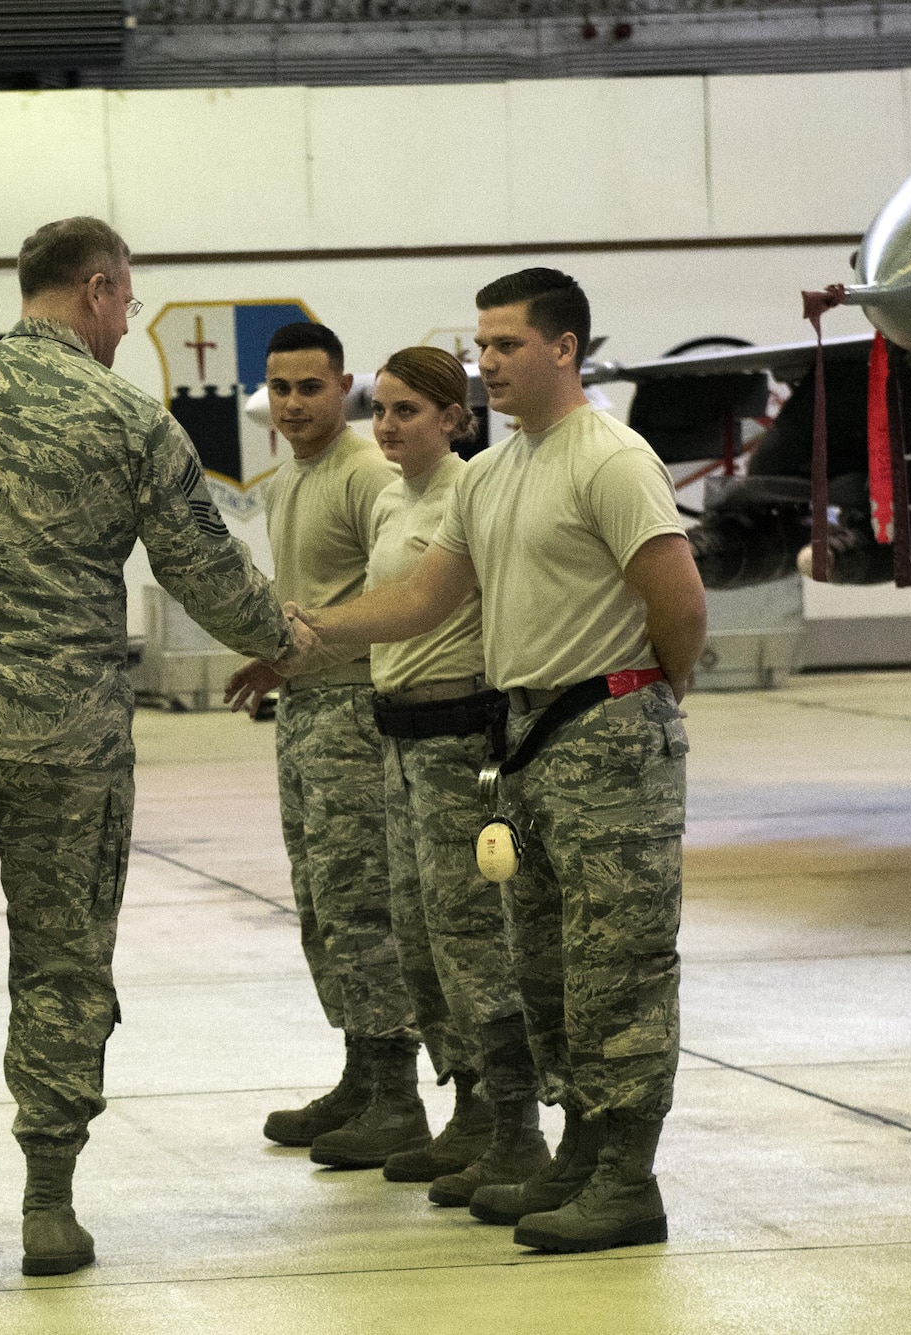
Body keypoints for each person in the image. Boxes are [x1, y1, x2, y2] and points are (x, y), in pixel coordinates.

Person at [0, 216, 303, 1282]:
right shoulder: (129, 418)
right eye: (126, 302)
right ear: (92, 290)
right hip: (67, 736)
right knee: (64, 965)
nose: (127, 322)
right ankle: (48, 1205)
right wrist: (290, 641)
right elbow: (207, 575)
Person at [288, 269, 706, 1254]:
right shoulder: (501, 470)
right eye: (480, 346)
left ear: (563, 348)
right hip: (524, 741)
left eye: (506, 345)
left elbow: (678, 603)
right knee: (547, 967)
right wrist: (306, 630)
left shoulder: (606, 457)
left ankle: (627, 1179)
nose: (487, 364)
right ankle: (577, 1154)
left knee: (619, 968)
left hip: (604, 731)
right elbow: (424, 599)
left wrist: (643, 702)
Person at [223, 321, 439, 1170]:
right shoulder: (286, 480)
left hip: (355, 717)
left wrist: (303, 650)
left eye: (311, 388)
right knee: (320, 902)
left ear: (342, 387)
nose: (293, 404)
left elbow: (394, 605)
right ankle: (360, 1071)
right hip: (307, 713)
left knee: (363, 905)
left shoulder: (366, 477)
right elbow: (317, 600)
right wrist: (279, 657)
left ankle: (398, 1095)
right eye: (279, 389)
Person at [357, 346, 553, 1203]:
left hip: (455, 742)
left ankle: (519, 1125)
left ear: (455, 419)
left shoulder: (464, 493)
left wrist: (301, 628)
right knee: (422, 935)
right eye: (383, 408)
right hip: (400, 739)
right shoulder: (393, 500)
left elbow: (419, 608)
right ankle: (471, 1105)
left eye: (408, 409)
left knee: (475, 935)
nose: (389, 424)